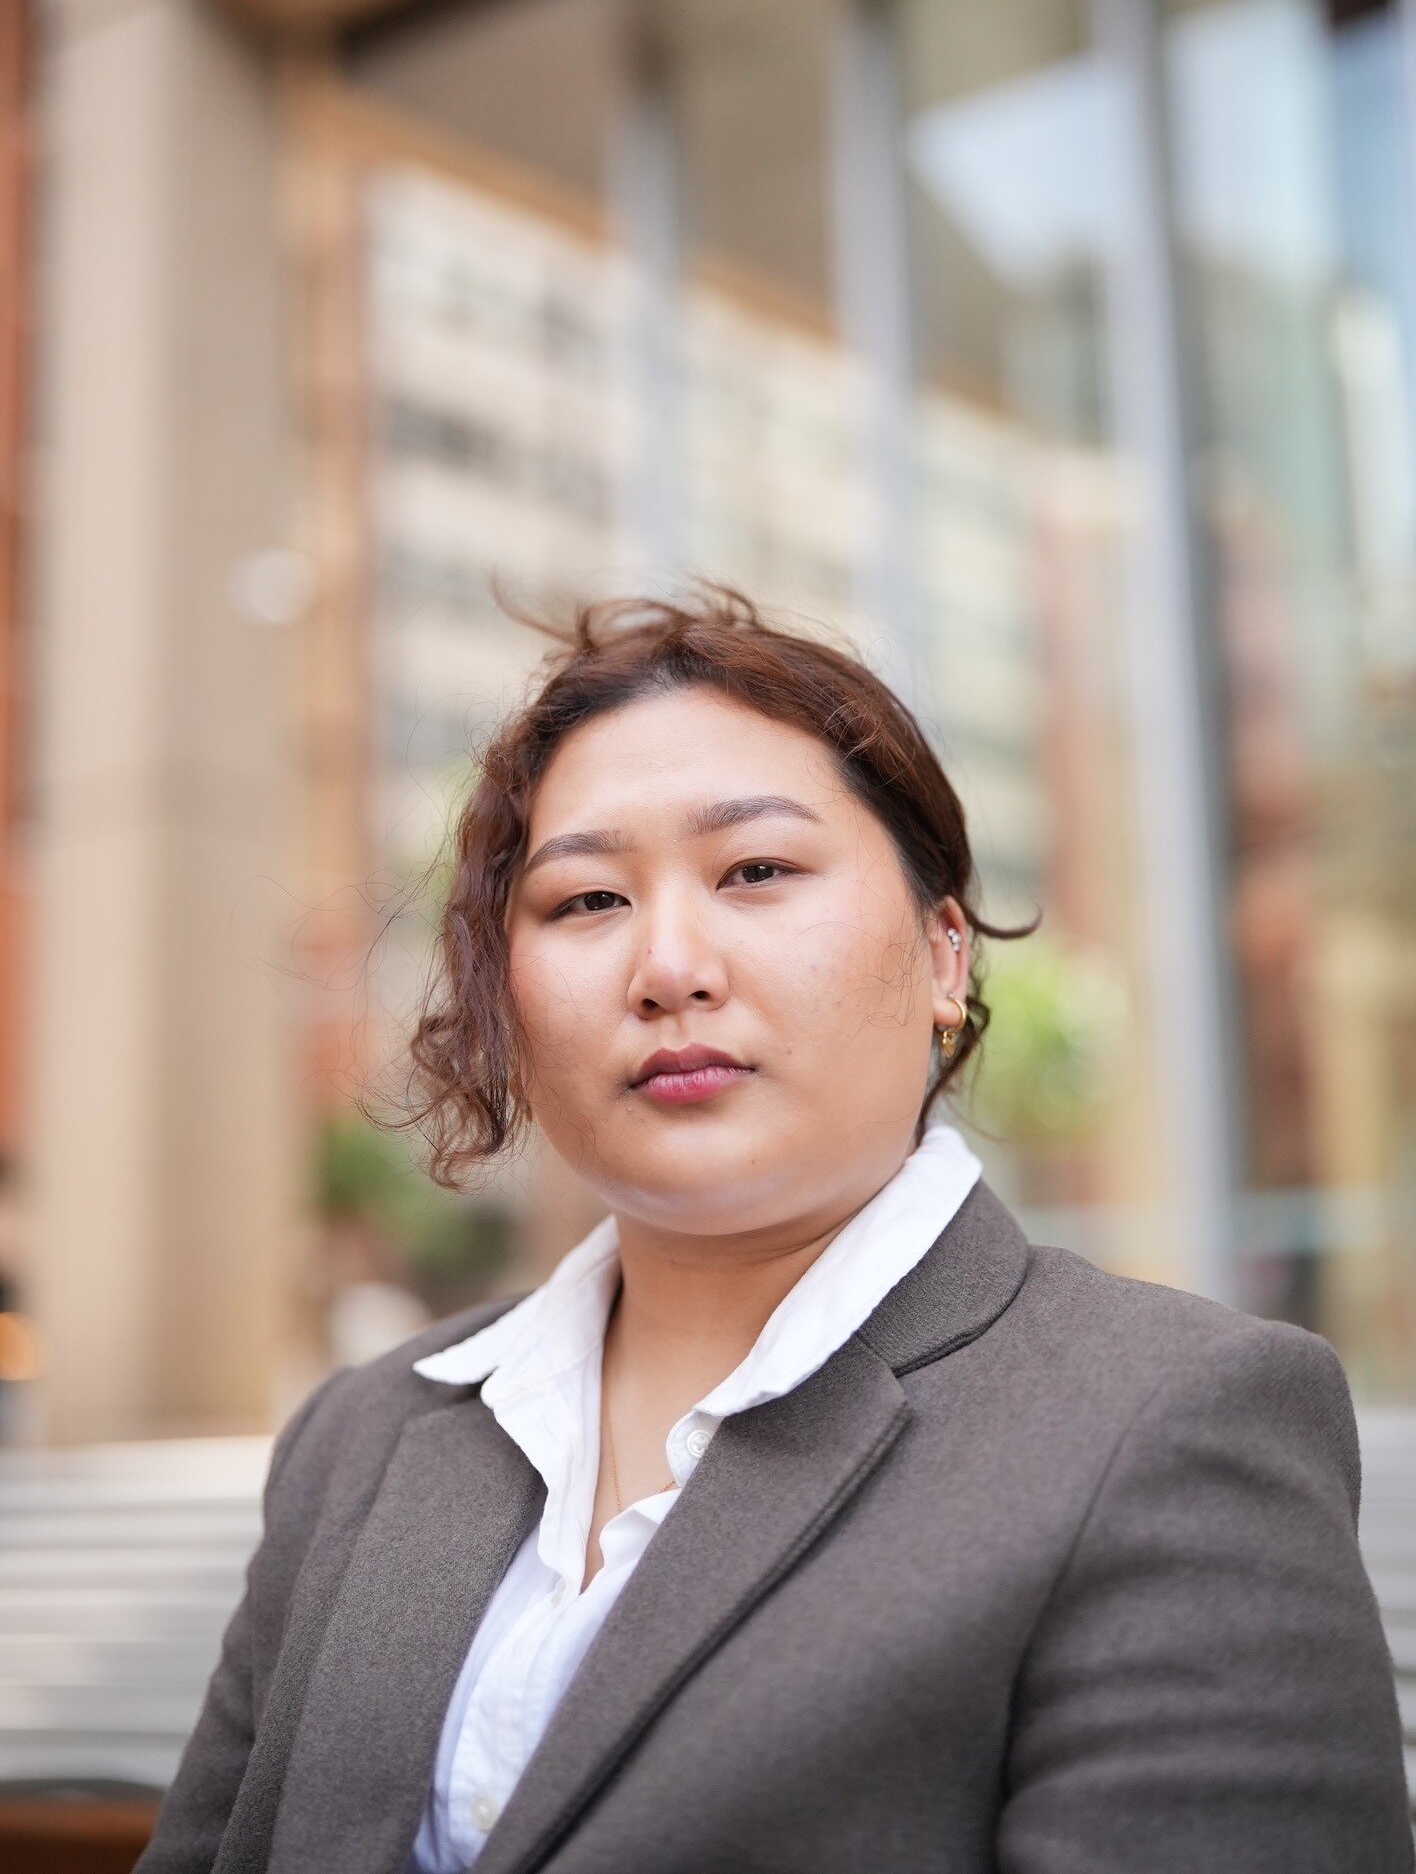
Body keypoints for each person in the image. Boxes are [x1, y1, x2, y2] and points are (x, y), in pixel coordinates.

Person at [138, 591, 1412, 1874]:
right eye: (585, 900)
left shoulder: (1175, 1418)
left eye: (756, 871)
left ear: (943, 956)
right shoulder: (363, 1433)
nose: (669, 964)